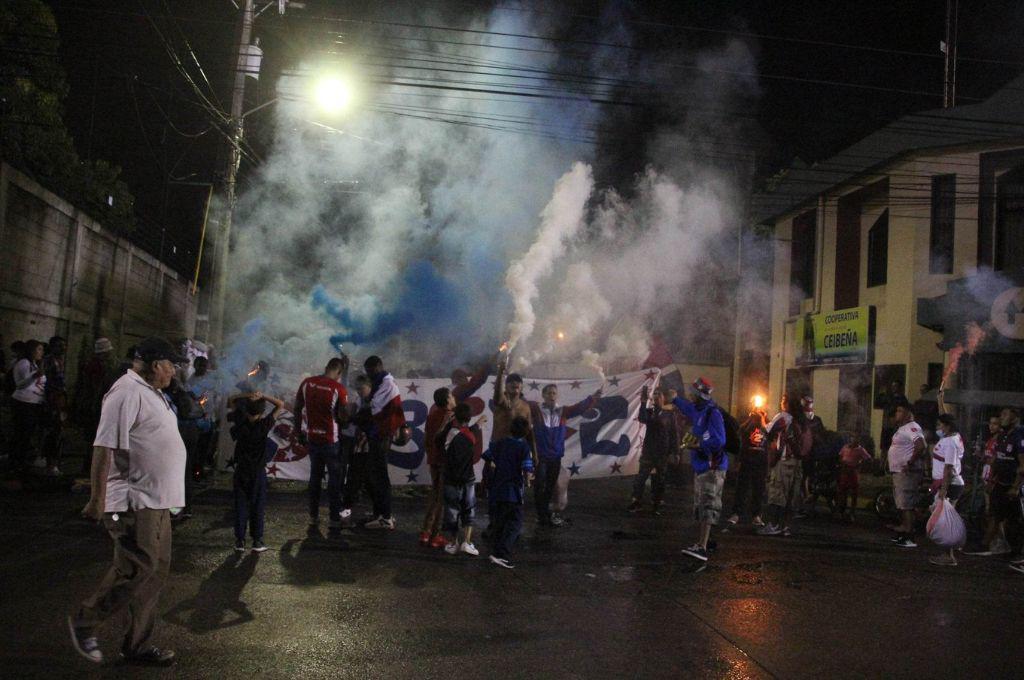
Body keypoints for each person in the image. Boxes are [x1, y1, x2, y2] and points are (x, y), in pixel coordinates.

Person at [68, 337, 187, 667]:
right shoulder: (126, 391)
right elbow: (104, 446)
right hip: (135, 501)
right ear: (154, 365)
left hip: (158, 502)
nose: (174, 373)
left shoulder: (152, 392)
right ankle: (85, 620)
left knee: (154, 574)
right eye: (171, 366)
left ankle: (136, 645)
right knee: (137, 567)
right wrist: (97, 498)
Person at [529, 382, 601, 526]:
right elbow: (521, 402)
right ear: (543, 395)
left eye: (554, 393)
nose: (551, 395)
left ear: (557, 395)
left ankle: (544, 514)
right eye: (548, 393)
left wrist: (594, 397)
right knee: (539, 485)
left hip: (555, 457)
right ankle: (542, 514)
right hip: (541, 456)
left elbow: (581, 407)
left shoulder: (563, 411)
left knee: (550, 486)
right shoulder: (536, 409)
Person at [672, 377, 726, 562]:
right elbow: (688, 408)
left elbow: (719, 441)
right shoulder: (700, 410)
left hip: (712, 467)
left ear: (699, 395)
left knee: (708, 504)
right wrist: (675, 399)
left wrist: (697, 445)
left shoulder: (713, 414)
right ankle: (706, 541)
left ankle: (702, 548)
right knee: (703, 504)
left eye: (693, 393)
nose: (690, 396)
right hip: (704, 466)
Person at [292, 357, 349, 529]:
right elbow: (343, 417)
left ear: (326, 367)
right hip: (331, 440)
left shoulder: (307, 383)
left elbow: (296, 408)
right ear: (339, 373)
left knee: (315, 477)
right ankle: (333, 517)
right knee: (334, 479)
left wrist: (298, 431)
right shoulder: (339, 388)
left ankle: (313, 515)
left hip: (312, 438)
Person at [230, 391, 284, 552]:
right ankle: (257, 540)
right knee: (257, 505)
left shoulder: (240, 421)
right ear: (261, 413)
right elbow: (280, 404)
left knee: (240, 504)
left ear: (246, 410)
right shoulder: (264, 425)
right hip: (257, 471)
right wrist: (264, 396)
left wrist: (248, 395)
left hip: (241, 470)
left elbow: (231, 399)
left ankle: (239, 541)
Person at [483, 416, 534, 569]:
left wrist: (489, 477)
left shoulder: (500, 443)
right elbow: (526, 470)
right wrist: (528, 480)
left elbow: (487, 458)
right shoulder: (524, 447)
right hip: (513, 492)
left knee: (499, 522)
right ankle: (501, 554)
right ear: (525, 432)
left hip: (497, 489)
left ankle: (495, 552)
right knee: (515, 524)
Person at [362, 356, 405, 530]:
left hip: (381, 436)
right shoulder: (382, 383)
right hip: (378, 435)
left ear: (379, 366)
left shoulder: (387, 384)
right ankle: (381, 513)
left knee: (379, 476)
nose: (370, 374)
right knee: (375, 476)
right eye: (368, 372)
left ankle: (385, 517)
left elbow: (374, 406)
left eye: (372, 371)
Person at [758, 394, 810, 536]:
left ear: (787, 404)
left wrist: (762, 417)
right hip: (797, 463)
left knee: (777, 494)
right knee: (791, 497)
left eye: (782, 400)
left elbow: (767, 430)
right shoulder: (801, 419)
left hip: (784, 462)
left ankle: (773, 525)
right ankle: (785, 526)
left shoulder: (784, 416)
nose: (781, 403)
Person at [628, 386, 680, 515]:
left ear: (663, 397)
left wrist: (676, 452)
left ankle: (656, 503)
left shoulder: (669, 414)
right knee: (641, 477)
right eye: (654, 394)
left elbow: (674, 433)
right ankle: (636, 501)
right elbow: (642, 418)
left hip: (662, 452)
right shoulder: (650, 412)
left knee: (659, 479)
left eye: (659, 394)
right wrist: (643, 401)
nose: (656, 396)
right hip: (649, 451)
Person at [441, 403, 481, 556]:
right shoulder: (471, 435)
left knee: (452, 511)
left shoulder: (451, 433)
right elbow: (469, 433)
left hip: (451, 479)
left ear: (455, 417)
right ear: (469, 418)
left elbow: (443, 444)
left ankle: (453, 542)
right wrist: (477, 425)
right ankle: (467, 542)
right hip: (468, 479)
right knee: (469, 509)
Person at [75, 338, 119, 476]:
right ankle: (91, 469)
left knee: (94, 439)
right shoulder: (99, 367)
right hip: (96, 407)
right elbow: (94, 388)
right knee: (96, 439)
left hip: (94, 406)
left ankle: (90, 468)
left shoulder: (93, 366)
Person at [887, 401, 926, 548]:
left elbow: (920, 445)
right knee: (902, 504)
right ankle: (904, 533)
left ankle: (909, 536)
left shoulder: (912, 427)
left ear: (908, 413)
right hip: (900, 472)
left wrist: (910, 462)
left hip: (907, 473)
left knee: (907, 504)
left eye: (900, 411)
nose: (897, 414)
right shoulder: (903, 428)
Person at [928, 414, 965, 566]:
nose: (938, 428)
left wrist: (943, 490)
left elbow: (948, 468)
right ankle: (948, 552)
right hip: (949, 483)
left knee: (944, 522)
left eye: (940, 425)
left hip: (949, 484)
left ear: (948, 426)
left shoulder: (950, 442)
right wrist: (941, 399)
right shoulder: (955, 436)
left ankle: (948, 555)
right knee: (942, 519)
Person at [421, 387, 456, 547]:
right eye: (452, 396)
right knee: (442, 498)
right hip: (444, 460)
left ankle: (426, 531)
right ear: (448, 400)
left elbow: (427, 437)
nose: (454, 398)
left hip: (433, 459)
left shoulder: (432, 415)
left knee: (434, 495)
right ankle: (435, 535)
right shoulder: (450, 416)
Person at [10, 339, 46, 473]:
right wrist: (35, 376)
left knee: (26, 434)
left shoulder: (34, 364)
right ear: (31, 350)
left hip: (33, 403)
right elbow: (20, 384)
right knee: (22, 434)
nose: (41, 352)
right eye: (39, 349)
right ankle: (16, 462)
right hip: (23, 403)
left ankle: (20, 461)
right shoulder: (24, 363)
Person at [728, 410, 769, 526]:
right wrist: (738, 461)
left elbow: (768, 443)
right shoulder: (745, 428)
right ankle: (736, 514)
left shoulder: (765, 428)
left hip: (760, 463)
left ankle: (756, 515)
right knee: (742, 489)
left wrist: (763, 419)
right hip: (747, 462)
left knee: (759, 490)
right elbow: (740, 442)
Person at [341, 374, 372, 524]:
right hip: (360, 444)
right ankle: (347, 506)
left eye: (362, 389)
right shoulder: (361, 400)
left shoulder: (373, 401)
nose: (360, 392)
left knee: (367, 477)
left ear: (369, 386)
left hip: (370, 444)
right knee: (354, 475)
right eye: (358, 389)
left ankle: (380, 511)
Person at [40, 335, 69, 475]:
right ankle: (50, 462)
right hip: (52, 400)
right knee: (53, 431)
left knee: (58, 431)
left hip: (59, 399)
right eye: (60, 345)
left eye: (64, 345)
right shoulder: (49, 361)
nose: (63, 348)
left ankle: (53, 461)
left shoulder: (60, 361)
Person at [836, 434, 871, 521]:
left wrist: (860, 464)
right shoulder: (845, 447)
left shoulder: (860, 450)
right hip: (844, 471)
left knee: (854, 493)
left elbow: (868, 459)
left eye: (856, 438)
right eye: (853, 438)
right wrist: (841, 464)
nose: (854, 440)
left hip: (853, 472)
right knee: (842, 492)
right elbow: (840, 456)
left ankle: (852, 513)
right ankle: (841, 511)